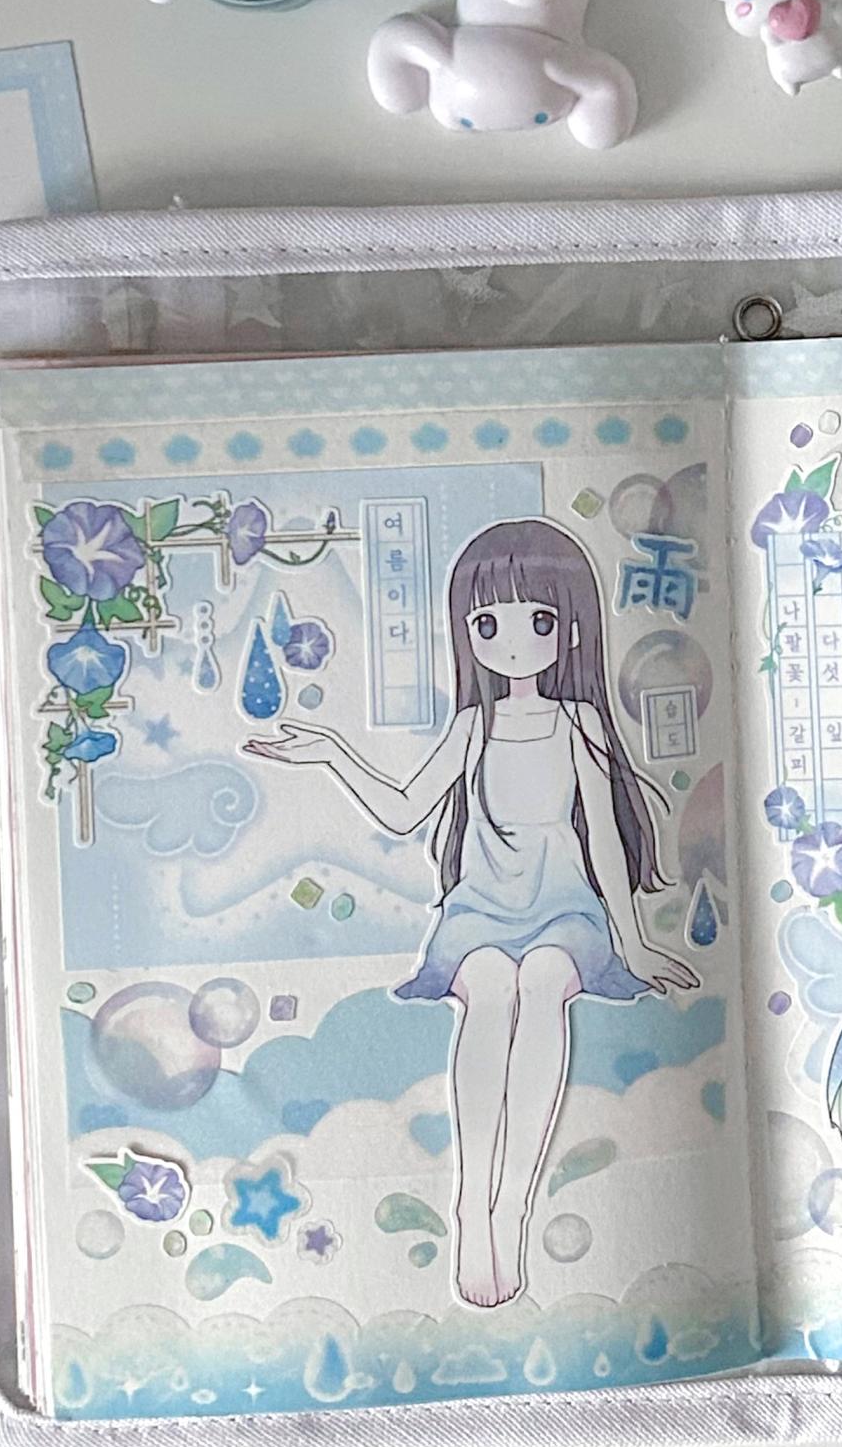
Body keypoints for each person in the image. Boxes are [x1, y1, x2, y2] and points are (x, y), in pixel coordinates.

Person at [246, 517, 693, 1308]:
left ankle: (511, 1206)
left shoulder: (580, 723)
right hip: (482, 907)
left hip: (564, 905)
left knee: (545, 982)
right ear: (468, 634)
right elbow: (403, 809)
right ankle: (471, 1204)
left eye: (538, 620)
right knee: (488, 989)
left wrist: (633, 945)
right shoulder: (474, 726)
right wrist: (334, 753)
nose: (513, 642)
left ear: (571, 628)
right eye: (489, 624)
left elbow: (605, 843)